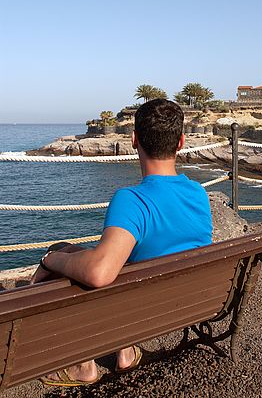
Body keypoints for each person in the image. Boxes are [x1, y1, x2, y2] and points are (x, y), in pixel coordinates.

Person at [32, 99, 213, 387]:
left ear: (133, 140)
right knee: (85, 256)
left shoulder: (132, 200)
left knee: (80, 272)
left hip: (140, 310)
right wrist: (68, 251)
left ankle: (83, 365)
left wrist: (51, 259)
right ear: (180, 142)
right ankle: (125, 352)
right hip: (192, 301)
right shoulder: (197, 193)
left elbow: (99, 273)